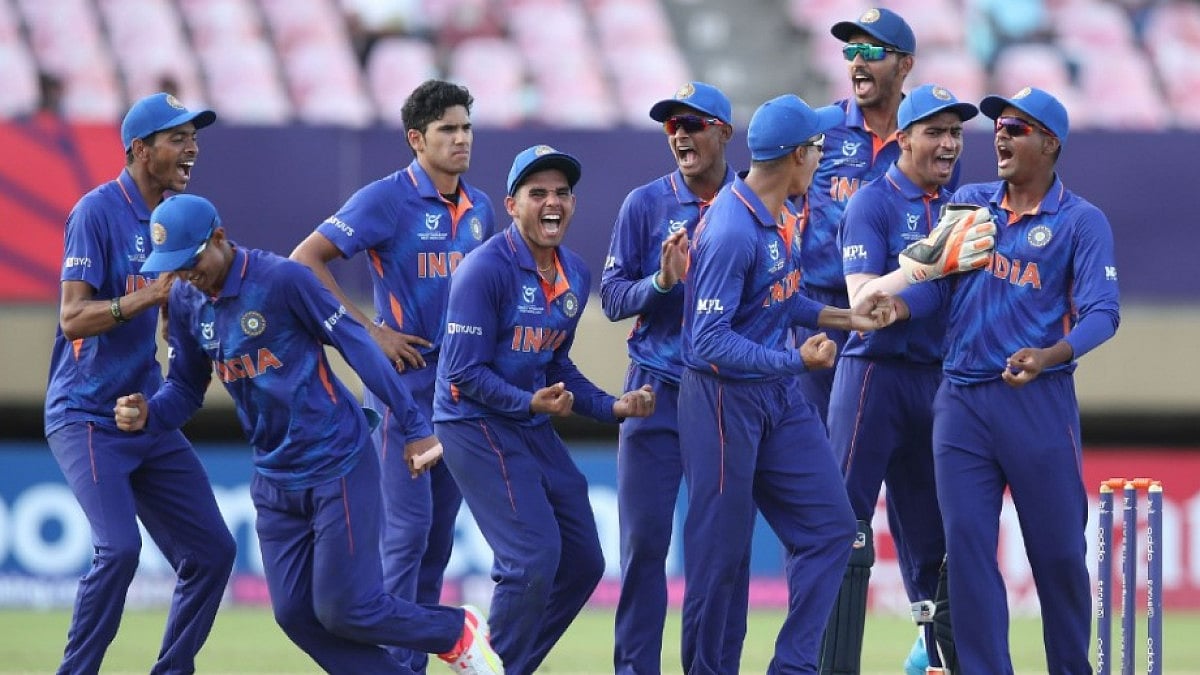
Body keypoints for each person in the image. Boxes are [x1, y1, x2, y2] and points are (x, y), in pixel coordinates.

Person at [113, 193, 504, 675]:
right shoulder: (186, 300)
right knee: (295, 614)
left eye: (190, 260)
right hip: (274, 478)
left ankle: (454, 632)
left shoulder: (282, 280)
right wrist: (148, 413)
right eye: (170, 265)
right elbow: (186, 390)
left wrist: (415, 426)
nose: (183, 273)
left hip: (336, 462)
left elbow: (357, 345)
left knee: (348, 608)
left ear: (219, 237)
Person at [893, 86, 1120, 673]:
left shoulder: (1081, 221)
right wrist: (896, 307)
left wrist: (1049, 355)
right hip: (961, 402)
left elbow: (1103, 312)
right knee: (967, 553)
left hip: (1036, 404)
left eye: (1015, 127)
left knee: (1058, 558)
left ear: (1049, 143)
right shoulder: (969, 202)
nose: (999, 134)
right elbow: (934, 283)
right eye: (997, 125)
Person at [678, 94, 896, 674]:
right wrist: (797, 361)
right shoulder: (730, 228)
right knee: (719, 562)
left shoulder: (785, 213)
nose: (823, 159)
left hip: (775, 393)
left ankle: (793, 668)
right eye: (818, 149)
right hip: (723, 401)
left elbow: (780, 297)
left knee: (830, 530)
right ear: (798, 156)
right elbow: (706, 343)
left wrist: (847, 318)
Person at [290, 78, 495, 673]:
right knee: (404, 536)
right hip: (404, 393)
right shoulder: (385, 199)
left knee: (436, 539)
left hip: (461, 393)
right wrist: (367, 331)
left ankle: (412, 662)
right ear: (416, 139)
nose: (461, 139)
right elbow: (307, 260)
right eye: (447, 130)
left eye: (465, 128)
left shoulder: (480, 207)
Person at [433, 145, 657, 674]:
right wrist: (528, 401)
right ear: (512, 205)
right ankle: (492, 667)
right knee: (530, 559)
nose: (552, 202)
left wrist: (612, 406)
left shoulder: (574, 275)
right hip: (473, 423)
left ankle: (504, 664)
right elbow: (462, 373)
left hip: (526, 421)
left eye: (561, 193)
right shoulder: (483, 270)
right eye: (538, 194)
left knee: (582, 562)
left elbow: (557, 364)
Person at [42, 92, 235, 675]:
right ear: (139, 150)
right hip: (85, 413)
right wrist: (148, 297)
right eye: (178, 137)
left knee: (214, 552)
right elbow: (73, 317)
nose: (192, 147)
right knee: (120, 551)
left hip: (142, 411)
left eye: (193, 136)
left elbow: (192, 311)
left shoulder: (180, 215)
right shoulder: (96, 212)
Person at [820, 84, 980, 675]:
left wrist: (908, 296)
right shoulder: (873, 202)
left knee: (936, 535)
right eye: (935, 132)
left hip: (940, 379)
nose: (947, 144)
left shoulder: (966, 206)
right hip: (873, 377)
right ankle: (823, 660)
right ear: (904, 139)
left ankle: (933, 658)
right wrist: (919, 276)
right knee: (841, 522)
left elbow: (952, 294)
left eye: (956, 134)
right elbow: (863, 298)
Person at [599, 81, 740, 674]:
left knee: (718, 554)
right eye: (670, 125)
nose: (680, 133)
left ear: (723, 132)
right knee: (644, 547)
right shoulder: (645, 204)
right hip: (655, 390)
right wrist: (661, 283)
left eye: (693, 122)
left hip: (729, 399)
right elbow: (610, 298)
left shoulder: (755, 203)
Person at [798, 7, 918, 426]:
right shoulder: (822, 128)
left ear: (905, 64)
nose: (857, 61)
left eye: (871, 50)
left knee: (870, 450)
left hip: (889, 311)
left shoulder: (927, 136)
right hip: (819, 307)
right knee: (812, 441)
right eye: (851, 51)